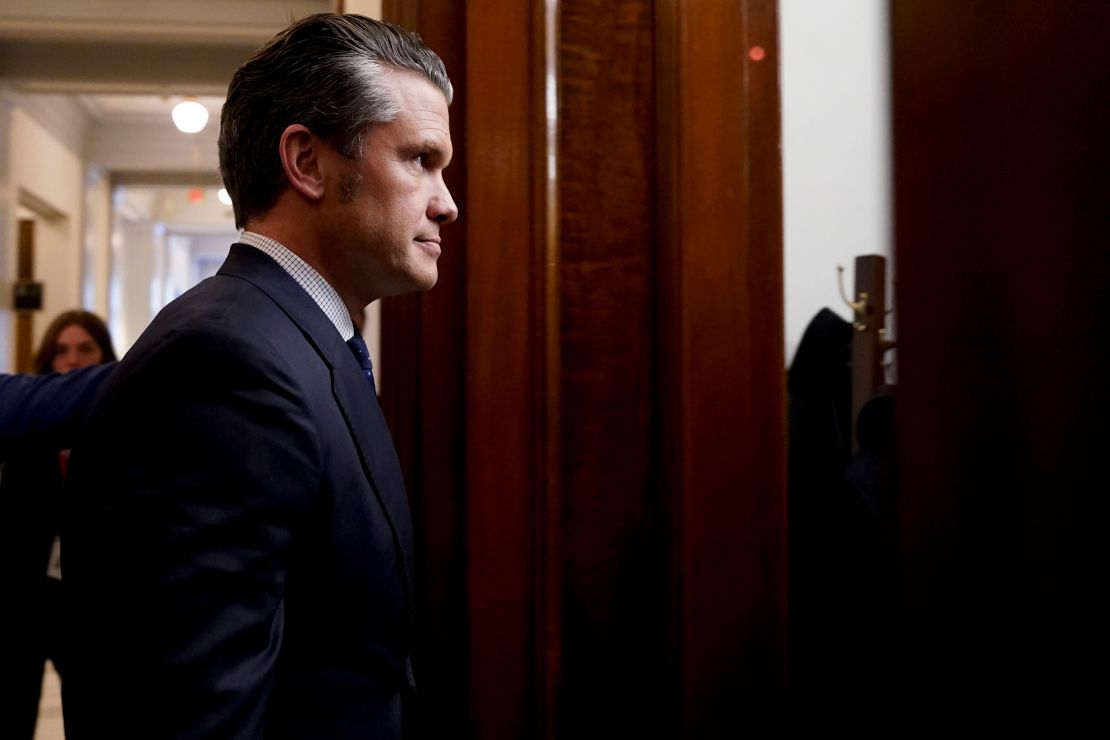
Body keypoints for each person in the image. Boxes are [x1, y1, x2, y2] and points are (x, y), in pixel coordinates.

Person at [61, 13, 457, 740]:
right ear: (307, 163)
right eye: (419, 161)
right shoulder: (228, 361)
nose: (446, 202)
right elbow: (193, 717)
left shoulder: (297, 338)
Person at [1, 310, 116, 739]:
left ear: (104, 354)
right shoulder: (22, 433)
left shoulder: (124, 432)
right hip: (25, 600)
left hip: (91, 602)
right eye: (61, 351)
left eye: (85, 348)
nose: (72, 360)